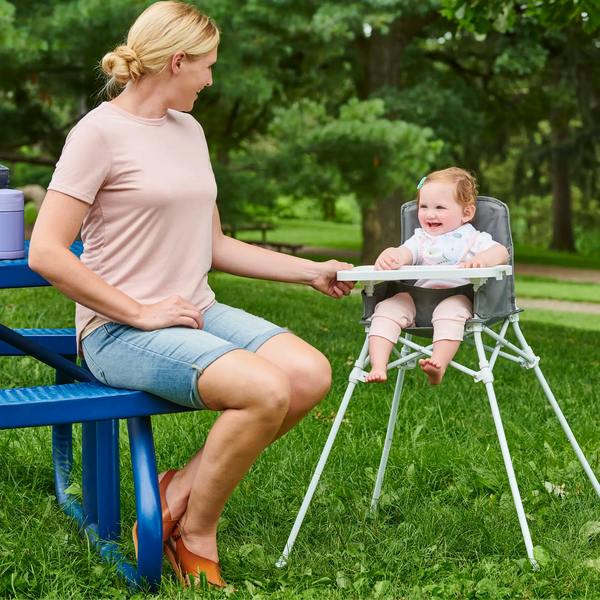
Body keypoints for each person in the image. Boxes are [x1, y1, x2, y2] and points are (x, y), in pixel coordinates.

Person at [29, 1, 353, 589]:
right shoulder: (97, 133)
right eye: (206, 66)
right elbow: (46, 252)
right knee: (263, 388)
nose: (210, 79)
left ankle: (176, 491)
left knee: (308, 374)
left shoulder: (189, 130)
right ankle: (196, 530)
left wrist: (307, 271)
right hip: (118, 331)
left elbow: (216, 244)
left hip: (192, 310)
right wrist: (140, 312)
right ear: (177, 61)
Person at [365, 167, 509, 386]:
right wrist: (391, 255)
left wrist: (483, 260)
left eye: (439, 207)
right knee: (385, 309)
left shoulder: (474, 239)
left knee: (451, 311)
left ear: (467, 213)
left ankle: (438, 363)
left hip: (458, 298)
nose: (429, 214)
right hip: (417, 299)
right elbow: (403, 253)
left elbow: (502, 252)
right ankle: (378, 364)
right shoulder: (420, 239)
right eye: (423, 207)